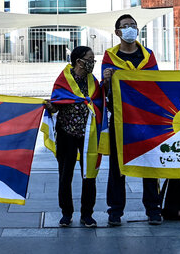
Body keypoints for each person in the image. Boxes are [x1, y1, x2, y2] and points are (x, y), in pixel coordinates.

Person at [101, 14, 162, 226]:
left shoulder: (148, 56)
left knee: (150, 162)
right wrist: (108, 81)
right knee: (117, 167)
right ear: (118, 32)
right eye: (125, 26)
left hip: (147, 119)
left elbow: (156, 85)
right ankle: (115, 211)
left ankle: (153, 209)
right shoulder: (110, 57)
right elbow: (105, 90)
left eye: (133, 26)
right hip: (120, 119)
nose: (130, 29)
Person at [44, 46, 100, 228]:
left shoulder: (93, 81)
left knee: (89, 175)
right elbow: (58, 102)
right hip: (66, 133)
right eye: (90, 59)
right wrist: (51, 107)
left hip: (88, 136)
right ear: (79, 61)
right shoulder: (64, 80)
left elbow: (99, 102)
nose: (92, 62)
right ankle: (66, 213)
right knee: (65, 174)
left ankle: (87, 214)